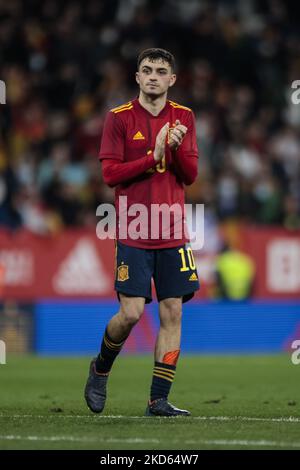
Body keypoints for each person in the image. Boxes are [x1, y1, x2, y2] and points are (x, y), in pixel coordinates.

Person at [85, 48, 200, 417]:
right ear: (136, 77)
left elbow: (190, 175)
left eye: (161, 71)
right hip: (134, 228)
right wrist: (155, 154)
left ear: (172, 79)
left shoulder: (184, 117)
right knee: (131, 313)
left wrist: (176, 148)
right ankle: (101, 367)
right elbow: (110, 175)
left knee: (172, 314)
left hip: (173, 230)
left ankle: (158, 400)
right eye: (146, 70)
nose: (153, 76)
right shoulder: (118, 118)